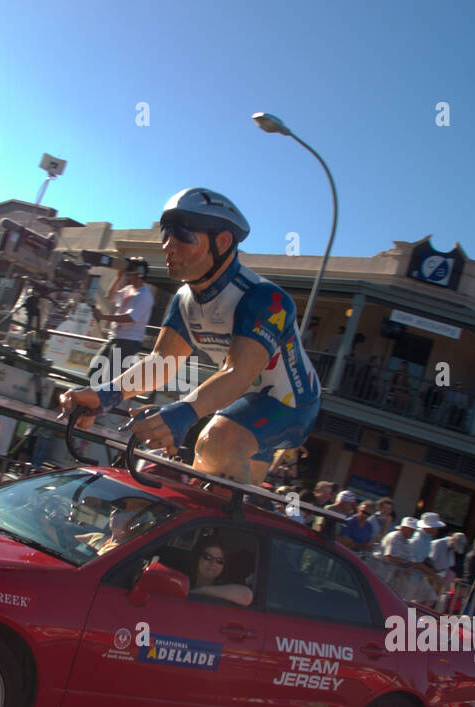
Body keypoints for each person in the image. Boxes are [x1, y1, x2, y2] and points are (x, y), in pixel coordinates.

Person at [61, 187, 319, 486]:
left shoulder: (263, 298)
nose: (168, 247)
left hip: (291, 404)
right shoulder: (185, 299)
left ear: (222, 242)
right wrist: (103, 394)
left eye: (182, 236)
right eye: (165, 235)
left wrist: (182, 413)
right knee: (212, 490)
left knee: (214, 443)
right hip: (246, 400)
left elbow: (239, 374)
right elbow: (161, 363)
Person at [89, 257, 154, 379]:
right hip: (115, 338)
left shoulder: (144, 295)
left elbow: (130, 317)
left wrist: (103, 317)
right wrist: (118, 278)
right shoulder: (128, 289)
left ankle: (104, 397)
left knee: (111, 378)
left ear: (140, 272)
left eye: (132, 268)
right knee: (95, 373)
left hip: (128, 341)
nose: (128, 271)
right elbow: (110, 296)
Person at [186, 538, 252, 606]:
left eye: (219, 561)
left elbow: (246, 596)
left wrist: (202, 591)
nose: (213, 563)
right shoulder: (183, 580)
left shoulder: (224, 588)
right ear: (197, 558)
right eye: (207, 557)